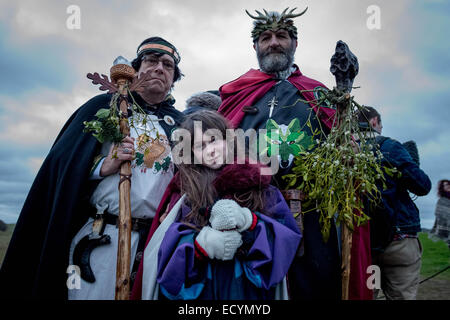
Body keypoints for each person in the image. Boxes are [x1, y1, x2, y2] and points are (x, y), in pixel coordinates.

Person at [0, 36, 184, 299]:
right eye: (151, 61)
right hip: (104, 238)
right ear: (135, 69)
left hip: (156, 241)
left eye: (168, 65)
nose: (159, 68)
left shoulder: (180, 123)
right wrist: (102, 166)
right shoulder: (105, 108)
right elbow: (64, 165)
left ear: (173, 78)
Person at [217, 7, 364, 299]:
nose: (273, 42)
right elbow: (218, 152)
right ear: (255, 46)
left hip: (310, 215)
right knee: (251, 291)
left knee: (313, 288)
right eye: (265, 37)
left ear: (295, 43)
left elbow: (342, 146)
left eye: (282, 36)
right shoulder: (237, 94)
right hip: (249, 212)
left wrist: (349, 151)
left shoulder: (318, 93)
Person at [133, 110, 301, 300]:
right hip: (203, 290)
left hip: (247, 291)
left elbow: (285, 236)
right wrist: (199, 244)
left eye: (213, 140)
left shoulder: (259, 184)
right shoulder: (186, 192)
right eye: (200, 146)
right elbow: (166, 250)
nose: (210, 151)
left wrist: (251, 222)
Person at [356, 106, 432, 300]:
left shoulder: (342, 150)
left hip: (362, 244)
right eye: (381, 124)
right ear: (374, 122)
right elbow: (422, 186)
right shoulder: (390, 146)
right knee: (401, 297)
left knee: (366, 295)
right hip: (398, 242)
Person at [431, 179, 450, 248]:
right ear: (442, 188)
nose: (448, 186)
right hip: (447, 226)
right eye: (445, 185)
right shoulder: (442, 201)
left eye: (448, 184)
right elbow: (439, 214)